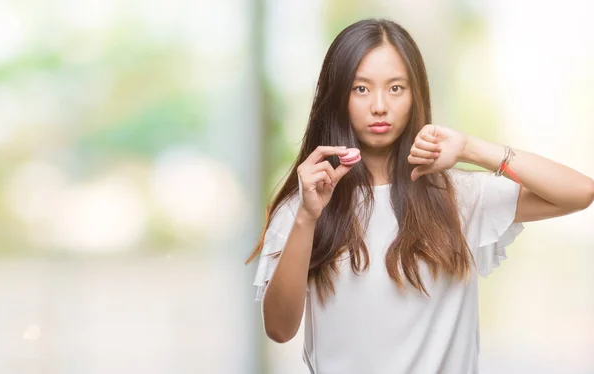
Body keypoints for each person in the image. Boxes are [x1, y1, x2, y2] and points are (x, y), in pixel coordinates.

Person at [245, 18, 594, 374]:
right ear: (337, 96)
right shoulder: (305, 205)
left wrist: (473, 149)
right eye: (360, 89)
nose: (379, 106)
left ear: (416, 95)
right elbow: (279, 328)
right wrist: (307, 216)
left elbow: (580, 192)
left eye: (396, 88)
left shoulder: (457, 195)